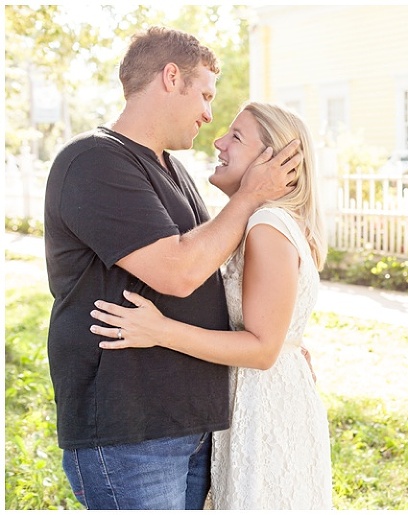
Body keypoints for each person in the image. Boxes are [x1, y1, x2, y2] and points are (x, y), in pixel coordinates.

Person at [43, 27, 301, 510]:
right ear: (170, 77)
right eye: (204, 94)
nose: (209, 113)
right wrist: (249, 196)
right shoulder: (94, 161)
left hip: (191, 427)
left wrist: (281, 342)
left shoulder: (173, 169)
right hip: (130, 435)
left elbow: (212, 267)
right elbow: (178, 272)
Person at [89, 101, 333, 509]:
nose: (218, 141)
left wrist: (160, 330)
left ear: (271, 159)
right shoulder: (261, 222)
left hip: (264, 407)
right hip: (259, 397)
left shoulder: (268, 227)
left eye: (236, 137)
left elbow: (262, 349)